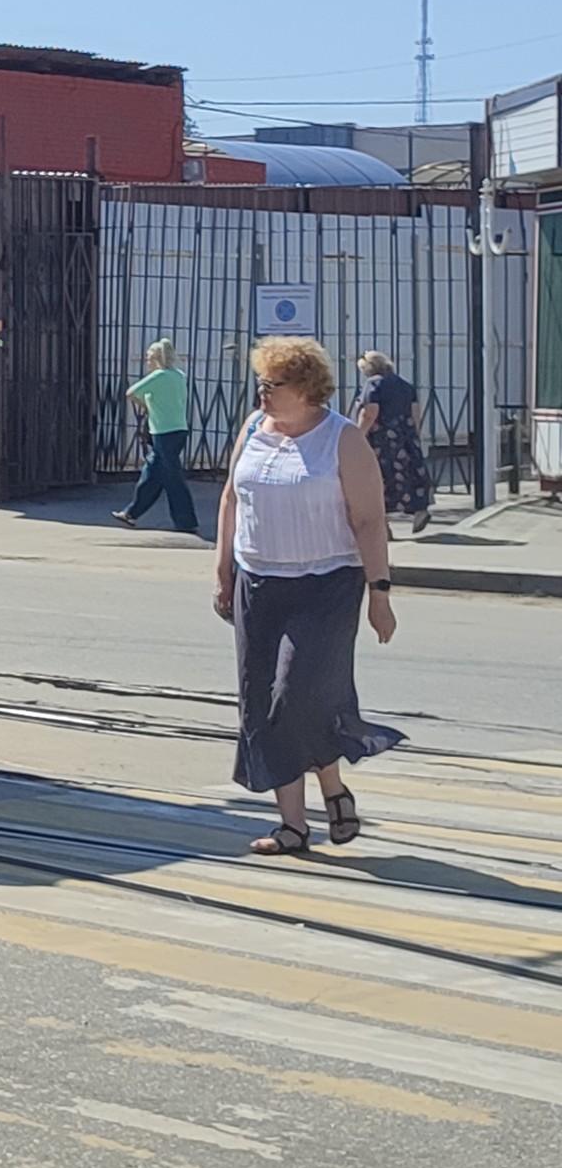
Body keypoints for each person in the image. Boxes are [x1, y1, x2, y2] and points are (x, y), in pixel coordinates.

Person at [216, 334, 404, 856]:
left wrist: (379, 594)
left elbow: (369, 521)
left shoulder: (342, 439)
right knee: (261, 704)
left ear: (305, 388)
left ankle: (333, 787)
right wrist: (222, 571)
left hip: (327, 583)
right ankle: (293, 826)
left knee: (296, 694)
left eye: (271, 385)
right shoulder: (254, 428)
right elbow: (232, 497)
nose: (261, 394)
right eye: (259, 383)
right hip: (259, 579)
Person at [114, 339, 198, 535]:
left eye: (149, 358)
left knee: (172, 478)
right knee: (152, 474)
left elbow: (130, 392)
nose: (147, 362)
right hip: (177, 429)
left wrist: (146, 405)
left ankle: (186, 521)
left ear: (157, 359)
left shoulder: (159, 376)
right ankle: (131, 513)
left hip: (163, 432)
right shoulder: (178, 375)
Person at [353, 349, 435, 536]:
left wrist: (358, 435)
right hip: (405, 436)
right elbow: (415, 413)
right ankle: (420, 509)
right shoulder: (405, 385)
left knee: (378, 479)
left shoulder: (373, 385)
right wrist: (414, 435)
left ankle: (383, 523)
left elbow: (370, 412)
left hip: (382, 440)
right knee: (409, 474)